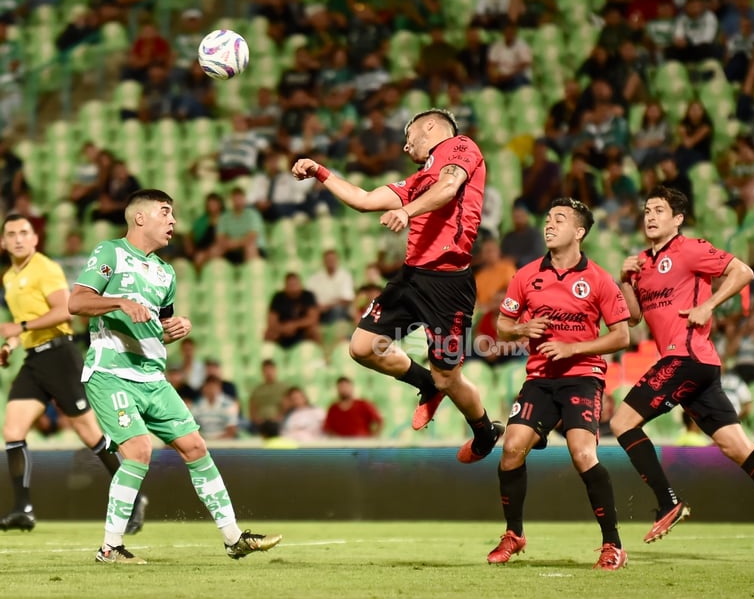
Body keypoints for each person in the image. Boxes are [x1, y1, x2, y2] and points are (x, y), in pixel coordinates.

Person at [67, 189, 281, 564]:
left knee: (197, 447)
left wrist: (175, 327)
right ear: (140, 218)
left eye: (173, 214)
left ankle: (234, 538)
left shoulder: (166, 272)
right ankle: (110, 547)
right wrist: (119, 300)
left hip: (153, 377)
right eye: (165, 212)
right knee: (138, 451)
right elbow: (77, 302)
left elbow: (156, 326)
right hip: (111, 373)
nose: (173, 221)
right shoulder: (110, 252)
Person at [610, 185, 754, 565]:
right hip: (697, 367)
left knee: (622, 421)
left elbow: (743, 271)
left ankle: (666, 503)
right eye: (646, 210)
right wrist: (625, 279)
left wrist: (708, 305)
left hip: (686, 357)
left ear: (678, 219)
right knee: (737, 447)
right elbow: (636, 318)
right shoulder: (641, 262)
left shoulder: (690, 249)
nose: (650, 216)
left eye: (659, 210)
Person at [292, 108, 504, 463]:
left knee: (450, 378)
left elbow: (449, 188)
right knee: (361, 347)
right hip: (411, 278)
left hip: (448, 285)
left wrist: (407, 212)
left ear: (431, 127)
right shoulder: (419, 180)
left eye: (409, 137)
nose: (406, 147)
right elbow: (364, 200)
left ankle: (484, 431)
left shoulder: (461, 147)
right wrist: (319, 171)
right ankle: (425, 385)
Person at [487, 197, 630, 569]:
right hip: (540, 378)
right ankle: (514, 534)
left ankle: (613, 544)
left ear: (579, 232)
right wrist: (520, 328)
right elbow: (502, 325)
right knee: (511, 448)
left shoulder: (598, 279)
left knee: (583, 453)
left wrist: (573, 348)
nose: (549, 225)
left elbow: (621, 336)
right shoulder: (526, 275)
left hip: (582, 377)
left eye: (560, 220)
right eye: (548, 218)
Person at [0, 214, 147, 534]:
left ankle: (134, 498)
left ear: (35, 238)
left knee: (90, 434)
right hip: (34, 358)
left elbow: (63, 310)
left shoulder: (45, 268)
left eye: (24, 232)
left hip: (60, 355)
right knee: (12, 429)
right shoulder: (10, 277)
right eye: (11, 234)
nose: (18, 239)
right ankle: (23, 508)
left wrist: (20, 328)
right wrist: (10, 345)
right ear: (3, 242)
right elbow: (20, 324)